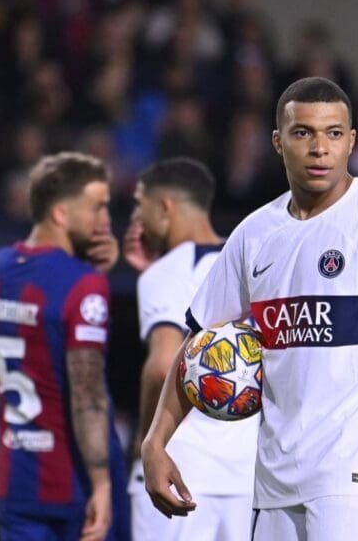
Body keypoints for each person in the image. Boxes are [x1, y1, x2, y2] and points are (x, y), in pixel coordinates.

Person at [142, 77, 358, 541]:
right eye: (303, 132)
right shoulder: (254, 234)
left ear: (351, 142)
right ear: (278, 141)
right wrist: (155, 442)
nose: (319, 148)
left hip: (356, 483)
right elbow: (197, 345)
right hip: (274, 485)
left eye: (333, 133)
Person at [0, 152, 129, 541]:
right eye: (97, 207)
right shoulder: (82, 285)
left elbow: (40, 317)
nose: (105, 221)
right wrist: (102, 483)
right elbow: (87, 397)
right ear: (61, 214)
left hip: (15, 480)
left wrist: (90, 274)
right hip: (73, 481)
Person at [123, 157, 258, 540]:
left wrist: (148, 443)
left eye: (140, 204)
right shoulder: (249, 261)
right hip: (249, 474)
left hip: (181, 471)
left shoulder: (168, 271)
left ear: (165, 206)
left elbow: (163, 362)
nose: (136, 218)